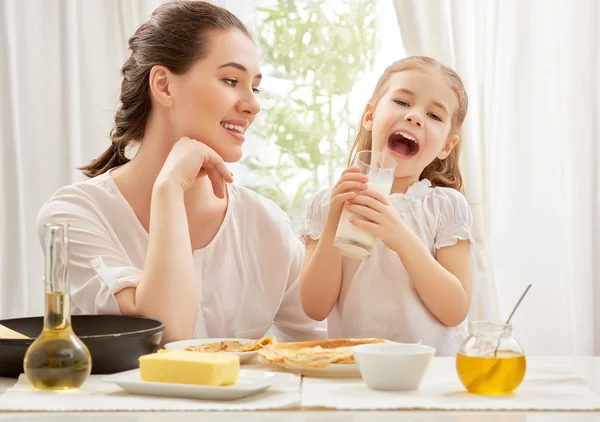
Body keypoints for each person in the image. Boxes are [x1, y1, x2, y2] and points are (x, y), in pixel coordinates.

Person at [36, 1, 325, 345]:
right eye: (231, 80)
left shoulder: (264, 225)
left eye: (255, 87)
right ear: (164, 86)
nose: (253, 104)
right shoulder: (74, 217)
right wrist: (169, 189)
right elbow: (163, 336)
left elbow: (329, 350)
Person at [298, 56, 473, 356]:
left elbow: (455, 310)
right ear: (370, 115)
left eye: (434, 115)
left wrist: (402, 238)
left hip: (428, 375)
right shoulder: (327, 204)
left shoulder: (445, 207)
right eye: (403, 102)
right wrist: (333, 222)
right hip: (356, 371)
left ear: (445, 146)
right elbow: (314, 307)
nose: (415, 117)